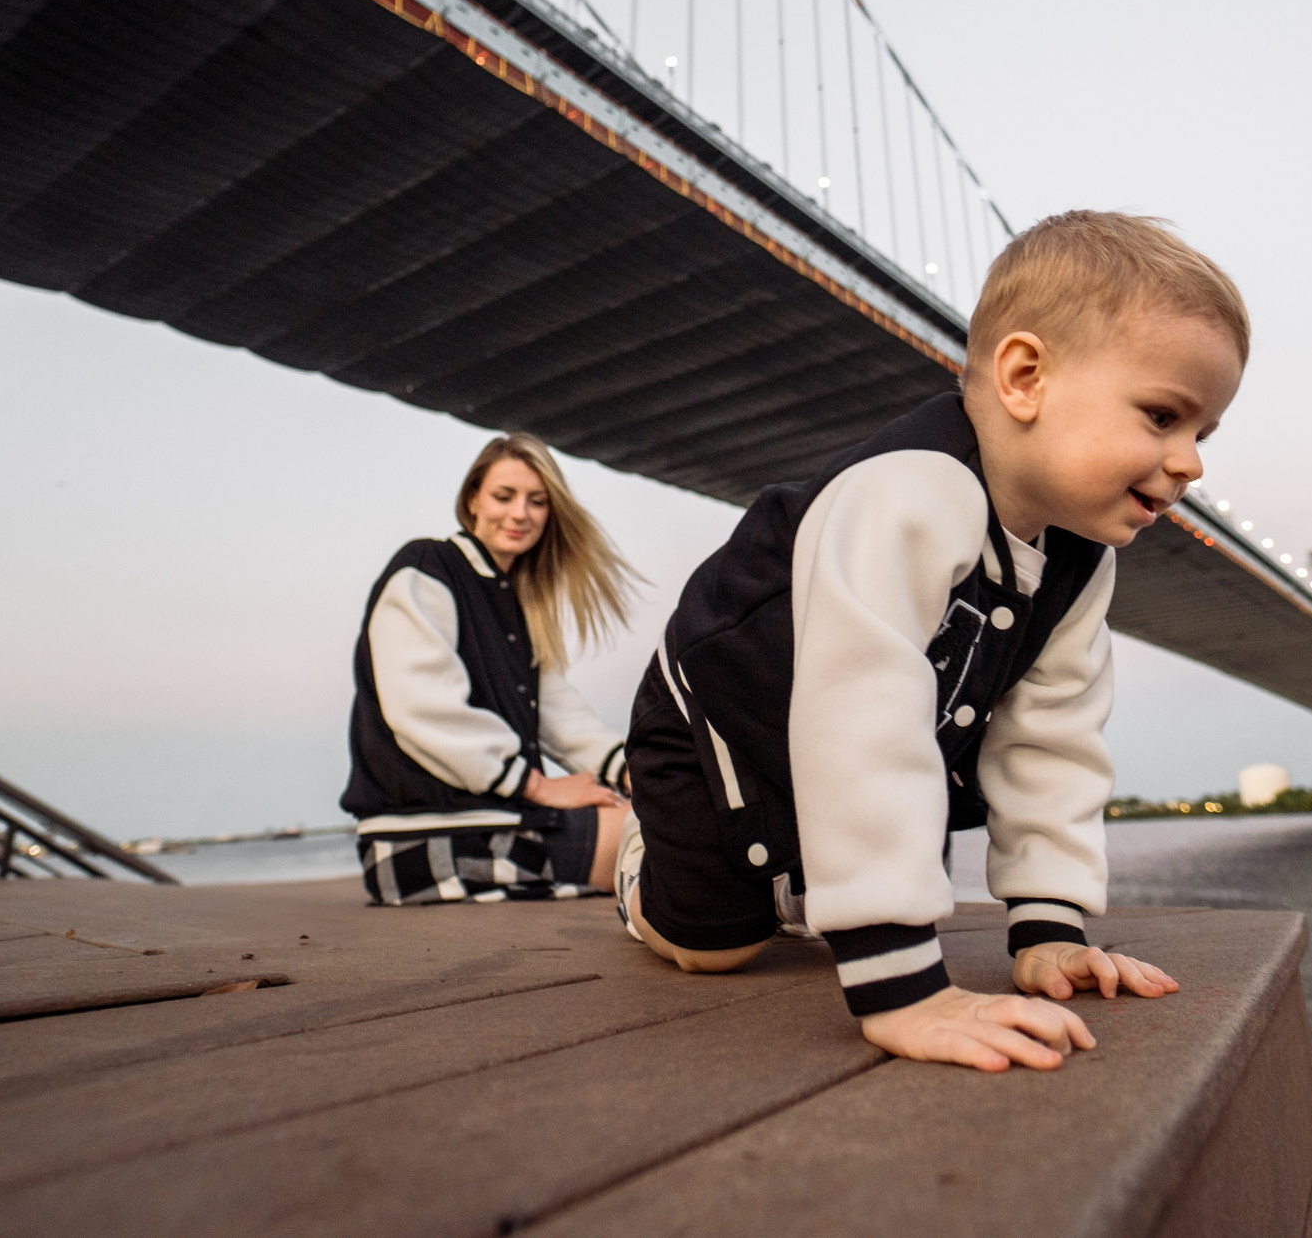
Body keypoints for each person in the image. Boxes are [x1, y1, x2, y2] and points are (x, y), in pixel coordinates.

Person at [615, 211, 1249, 1072]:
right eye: (1163, 415)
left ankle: (816, 882)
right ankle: (635, 848)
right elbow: (862, 716)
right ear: (1024, 378)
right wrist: (905, 992)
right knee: (714, 945)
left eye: (1201, 434)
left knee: (837, 894)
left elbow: (1052, 736)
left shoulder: (1081, 560)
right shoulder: (906, 492)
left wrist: (1050, 929)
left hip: (850, 743)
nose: (1191, 464)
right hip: (717, 718)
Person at [343, 432, 637, 906]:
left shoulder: (520, 605)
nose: (520, 513)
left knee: (660, 824)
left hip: (491, 819)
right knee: (647, 838)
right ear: (472, 500)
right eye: (504, 496)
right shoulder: (426, 567)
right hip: (423, 838)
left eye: (537, 501)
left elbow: (559, 715)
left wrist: (634, 774)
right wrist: (537, 785)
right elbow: (421, 706)